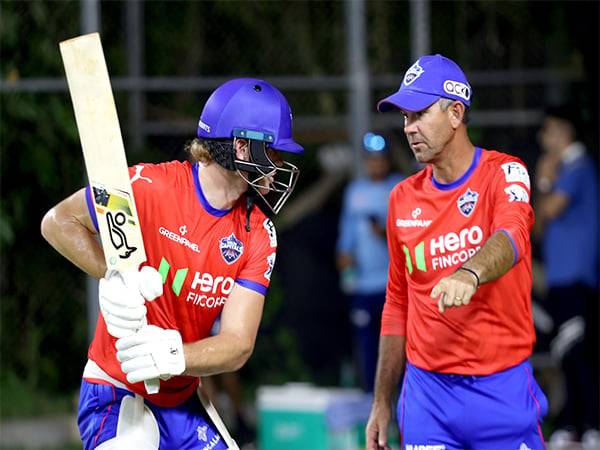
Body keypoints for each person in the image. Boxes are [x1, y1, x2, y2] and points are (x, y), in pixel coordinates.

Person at [41, 78, 303, 450]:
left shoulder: (257, 231)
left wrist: (175, 355)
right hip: (114, 389)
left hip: (181, 397)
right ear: (240, 146)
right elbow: (57, 223)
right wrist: (112, 274)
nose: (278, 167)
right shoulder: (149, 187)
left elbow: (238, 344)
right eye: (273, 154)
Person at [365, 54, 548, 450]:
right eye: (404, 118)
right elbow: (397, 303)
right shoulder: (401, 198)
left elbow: (513, 233)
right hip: (426, 397)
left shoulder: (504, 172)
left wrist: (470, 272)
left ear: (455, 113)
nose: (409, 128)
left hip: (501, 390)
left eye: (419, 114)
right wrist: (382, 401)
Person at [534, 104, 599, 449]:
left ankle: (590, 424)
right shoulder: (563, 171)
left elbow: (549, 209)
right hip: (561, 279)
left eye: (548, 131)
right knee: (567, 353)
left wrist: (543, 179)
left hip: (577, 277)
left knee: (579, 353)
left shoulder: (576, 166)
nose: (544, 139)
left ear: (564, 132)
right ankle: (575, 423)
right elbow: (540, 228)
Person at [336, 133, 403, 392]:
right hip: (362, 284)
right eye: (371, 160)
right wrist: (343, 253)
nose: (376, 164)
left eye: (381, 159)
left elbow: (410, 232)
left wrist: (385, 233)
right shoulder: (355, 191)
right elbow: (346, 231)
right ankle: (368, 399)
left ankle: (397, 402)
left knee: (396, 344)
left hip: (391, 285)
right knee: (366, 345)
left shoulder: (398, 187)